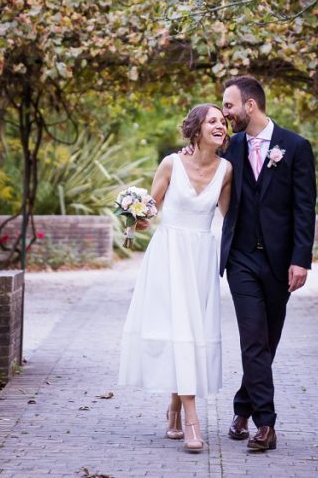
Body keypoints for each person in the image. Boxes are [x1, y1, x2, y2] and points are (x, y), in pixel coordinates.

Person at [118, 104, 233, 453]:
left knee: (189, 335)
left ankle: (173, 407)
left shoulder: (227, 170)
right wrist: (134, 217)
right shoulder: (171, 163)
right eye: (213, 120)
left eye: (223, 122)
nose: (221, 125)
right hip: (168, 257)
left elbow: (231, 218)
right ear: (196, 129)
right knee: (180, 332)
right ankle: (192, 423)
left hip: (200, 260)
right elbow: (149, 213)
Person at [218, 75, 316, 451]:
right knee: (253, 338)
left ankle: (242, 407)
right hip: (240, 259)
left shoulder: (295, 147)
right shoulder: (230, 148)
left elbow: (304, 208)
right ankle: (266, 424)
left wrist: (300, 260)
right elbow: (205, 175)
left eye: (228, 106)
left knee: (267, 341)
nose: (225, 114)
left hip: (279, 262)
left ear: (250, 105)